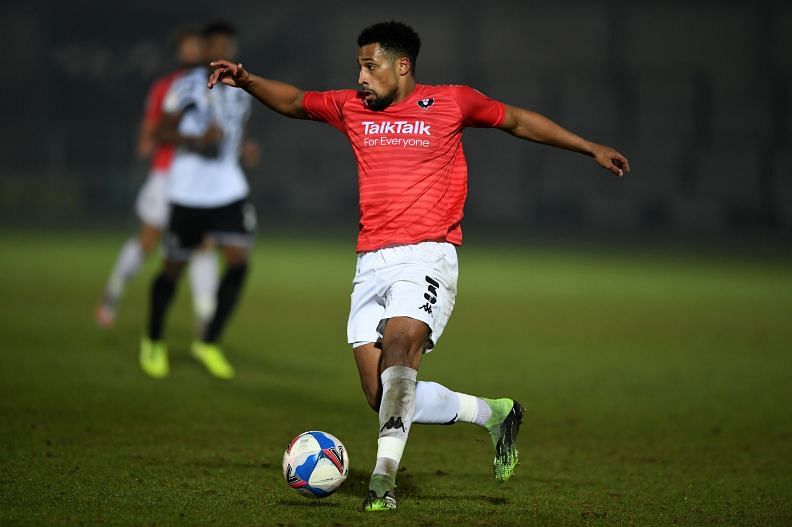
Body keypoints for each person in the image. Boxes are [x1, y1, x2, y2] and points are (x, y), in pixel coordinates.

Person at [208, 20, 630, 511]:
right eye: (358, 67)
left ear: (402, 65)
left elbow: (516, 120)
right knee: (380, 394)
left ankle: (383, 485)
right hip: (370, 263)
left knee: (402, 347)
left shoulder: (451, 101)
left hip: (428, 254)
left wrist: (589, 147)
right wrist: (247, 79)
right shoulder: (352, 108)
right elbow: (296, 101)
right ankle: (493, 413)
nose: (361, 77)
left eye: (370, 66)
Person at [140, 21, 255, 380]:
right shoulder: (186, 86)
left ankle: (208, 342)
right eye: (215, 46)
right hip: (189, 191)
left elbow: (235, 131)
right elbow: (160, 130)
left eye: (227, 45)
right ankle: (154, 340)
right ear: (205, 50)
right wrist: (196, 140)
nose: (222, 52)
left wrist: (244, 149)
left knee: (238, 263)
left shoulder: (241, 89)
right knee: (173, 267)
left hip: (229, 190)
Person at [96, 28, 219, 330]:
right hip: (167, 175)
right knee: (148, 240)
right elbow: (151, 126)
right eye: (185, 47)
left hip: (199, 180)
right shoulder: (166, 87)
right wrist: (145, 140)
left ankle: (205, 316)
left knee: (203, 244)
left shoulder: (213, 87)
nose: (190, 52)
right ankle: (113, 292)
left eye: (195, 47)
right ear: (179, 53)